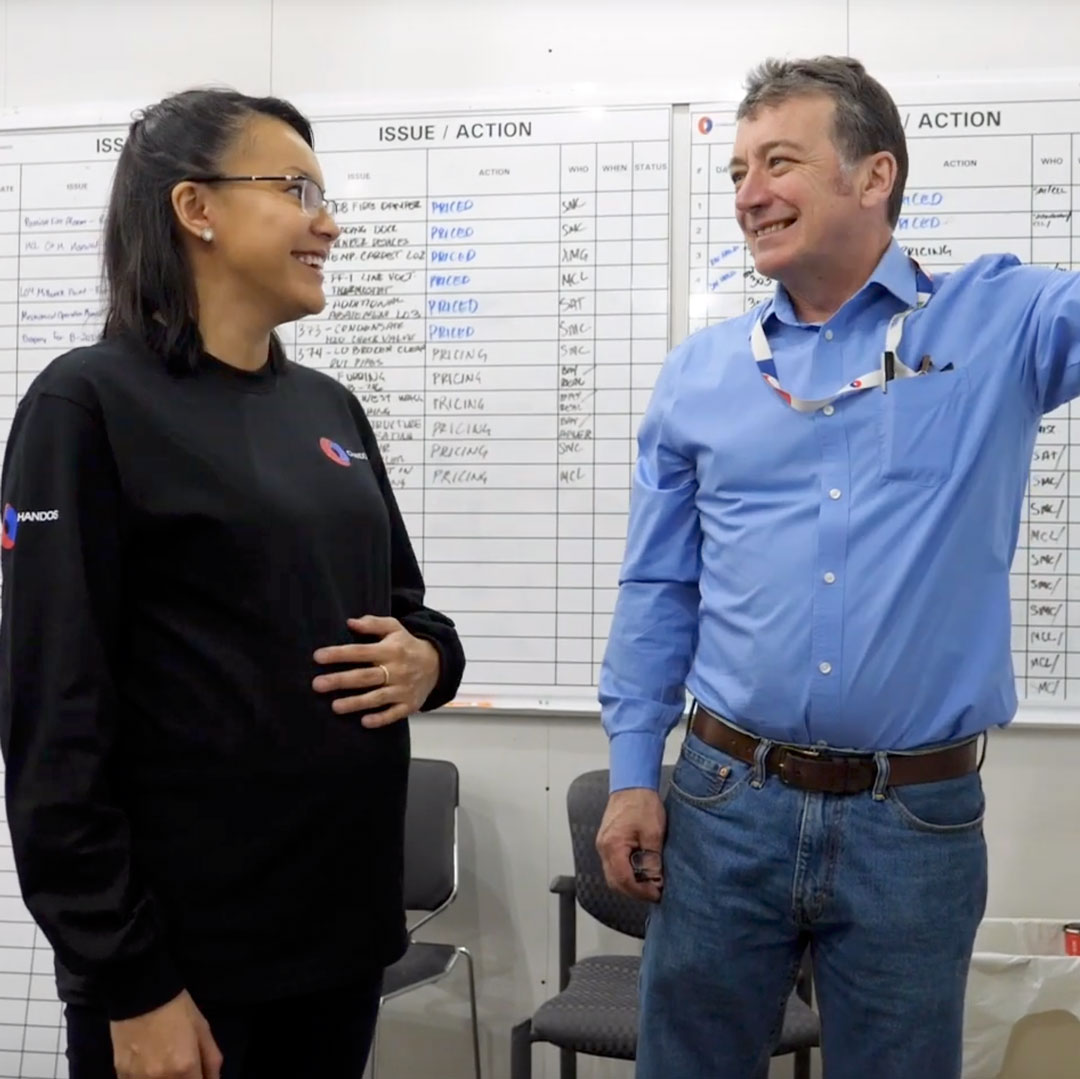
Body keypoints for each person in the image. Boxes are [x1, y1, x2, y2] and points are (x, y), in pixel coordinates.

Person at [596, 55, 1080, 1079]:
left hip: (915, 816)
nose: (749, 194)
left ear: (876, 177)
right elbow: (657, 589)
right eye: (735, 172)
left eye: (780, 162)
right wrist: (636, 767)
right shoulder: (702, 374)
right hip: (725, 801)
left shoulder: (1000, 324)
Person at [0, 88, 465, 1079]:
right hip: (186, 974)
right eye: (297, 189)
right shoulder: (83, 405)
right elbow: (51, 722)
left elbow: (410, 609)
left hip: (339, 945)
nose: (328, 222)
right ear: (195, 208)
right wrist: (129, 980)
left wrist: (429, 656)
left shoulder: (327, 407)